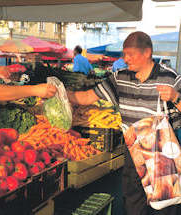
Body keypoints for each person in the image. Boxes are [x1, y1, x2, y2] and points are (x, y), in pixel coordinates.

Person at [67, 31, 181, 215]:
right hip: (133, 152)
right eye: (124, 54)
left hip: (161, 154)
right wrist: (63, 94)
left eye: (130, 54)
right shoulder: (119, 77)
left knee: (165, 206)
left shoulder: (170, 77)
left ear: (147, 53)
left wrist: (175, 97)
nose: (125, 59)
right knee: (132, 204)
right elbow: (88, 96)